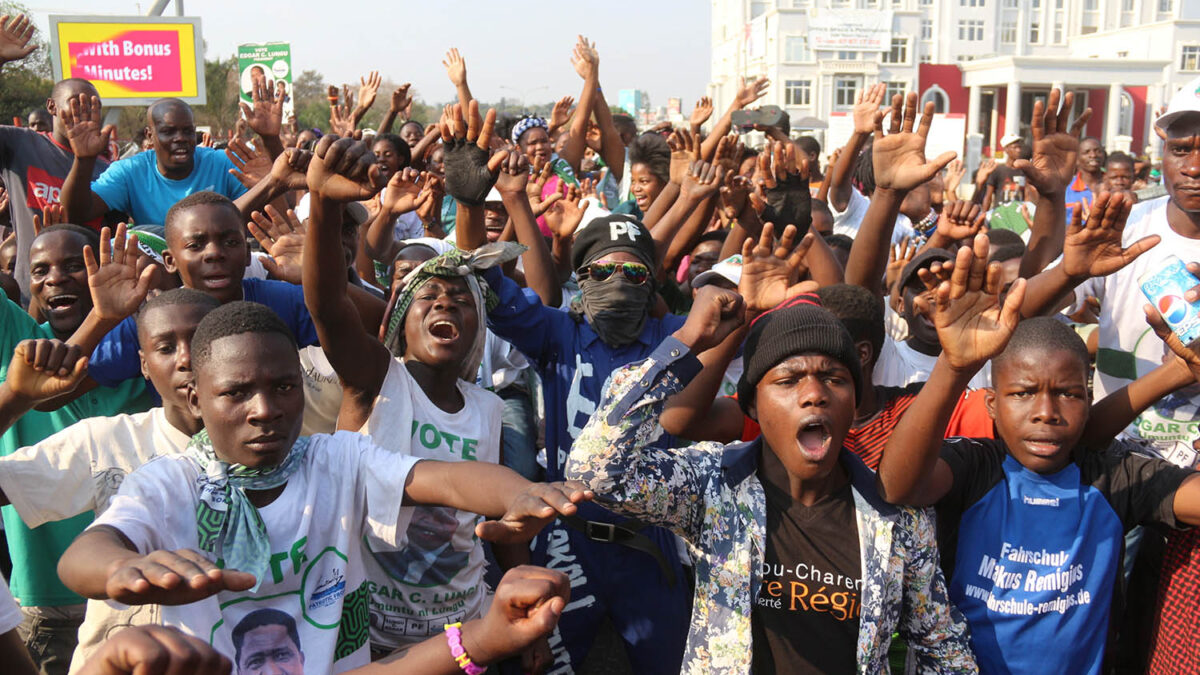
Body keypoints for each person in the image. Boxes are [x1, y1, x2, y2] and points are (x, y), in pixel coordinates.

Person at [55, 300, 591, 672]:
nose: (265, 410)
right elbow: (84, 556)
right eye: (236, 393)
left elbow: (439, 477)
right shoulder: (171, 483)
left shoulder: (334, 459)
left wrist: (514, 492)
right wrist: (121, 568)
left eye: (284, 386)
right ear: (197, 401)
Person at [567, 277, 977, 674]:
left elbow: (941, 644)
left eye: (834, 378)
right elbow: (595, 471)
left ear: (852, 405)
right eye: (788, 379)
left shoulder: (899, 516)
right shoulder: (713, 485)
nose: (814, 393)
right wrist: (687, 341)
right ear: (753, 409)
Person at [877, 234, 1200, 675]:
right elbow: (897, 485)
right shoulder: (977, 465)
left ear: (1089, 399)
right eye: (1024, 393)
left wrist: (1177, 372)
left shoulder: (1111, 477)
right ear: (992, 403)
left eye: (1067, 394)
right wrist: (955, 366)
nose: (1045, 413)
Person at [0, 286, 218, 671]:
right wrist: (15, 398)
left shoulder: (272, 443)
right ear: (144, 364)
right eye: (166, 348)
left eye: (202, 342)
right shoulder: (107, 441)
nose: (186, 359)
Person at [0, 223, 153, 675]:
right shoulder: (19, 345)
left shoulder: (150, 349)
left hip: (142, 593)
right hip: (48, 604)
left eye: (74, 266)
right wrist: (100, 317)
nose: (56, 278)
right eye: (40, 269)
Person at [58, 95, 290, 228]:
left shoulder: (222, 162)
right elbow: (78, 212)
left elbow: (276, 218)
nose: (180, 139)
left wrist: (271, 147)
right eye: (169, 132)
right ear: (150, 136)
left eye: (187, 131)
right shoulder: (130, 171)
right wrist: (83, 160)